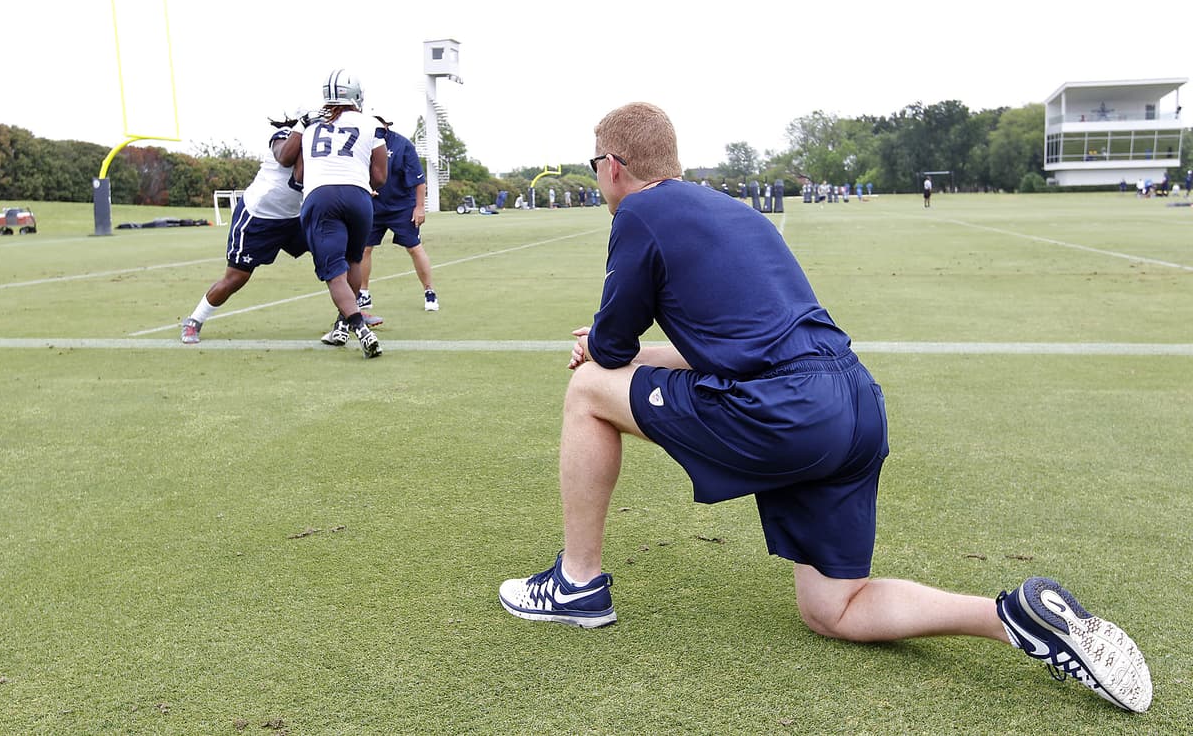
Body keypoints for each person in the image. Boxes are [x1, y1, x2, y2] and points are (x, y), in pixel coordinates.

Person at [497, 102, 1152, 714]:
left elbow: (609, 353)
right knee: (833, 607)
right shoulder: (735, 212)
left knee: (586, 391)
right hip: (856, 402)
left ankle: (577, 584)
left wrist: (599, 347)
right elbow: (735, 347)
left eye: (595, 167)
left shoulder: (638, 214)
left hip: (787, 408)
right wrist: (630, 356)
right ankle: (1014, 615)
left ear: (613, 166)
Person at [276, 68, 387, 358]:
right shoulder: (370, 123)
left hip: (321, 196)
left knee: (333, 271)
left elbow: (289, 161)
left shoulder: (309, 123)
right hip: (359, 196)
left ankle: (360, 328)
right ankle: (341, 326)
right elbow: (380, 176)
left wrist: (301, 128)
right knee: (352, 260)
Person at [180, 112, 313, 344]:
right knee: (236, 277)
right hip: (259, 216)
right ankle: (194, 320)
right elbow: (286, 159)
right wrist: (303, 125)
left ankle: (351, 315)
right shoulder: (283, 135)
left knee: (331, 254)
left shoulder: (320, 139)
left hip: (293, 217)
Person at [357, 116, 438, 313]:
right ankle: (363, 293)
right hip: (373, 205)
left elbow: (419, 180)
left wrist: (419, 207)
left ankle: (429, 291)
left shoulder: (403, 145)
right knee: (365, 249)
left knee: (414, 248)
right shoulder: (361, 141)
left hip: (402, 206)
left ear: (387, 124)